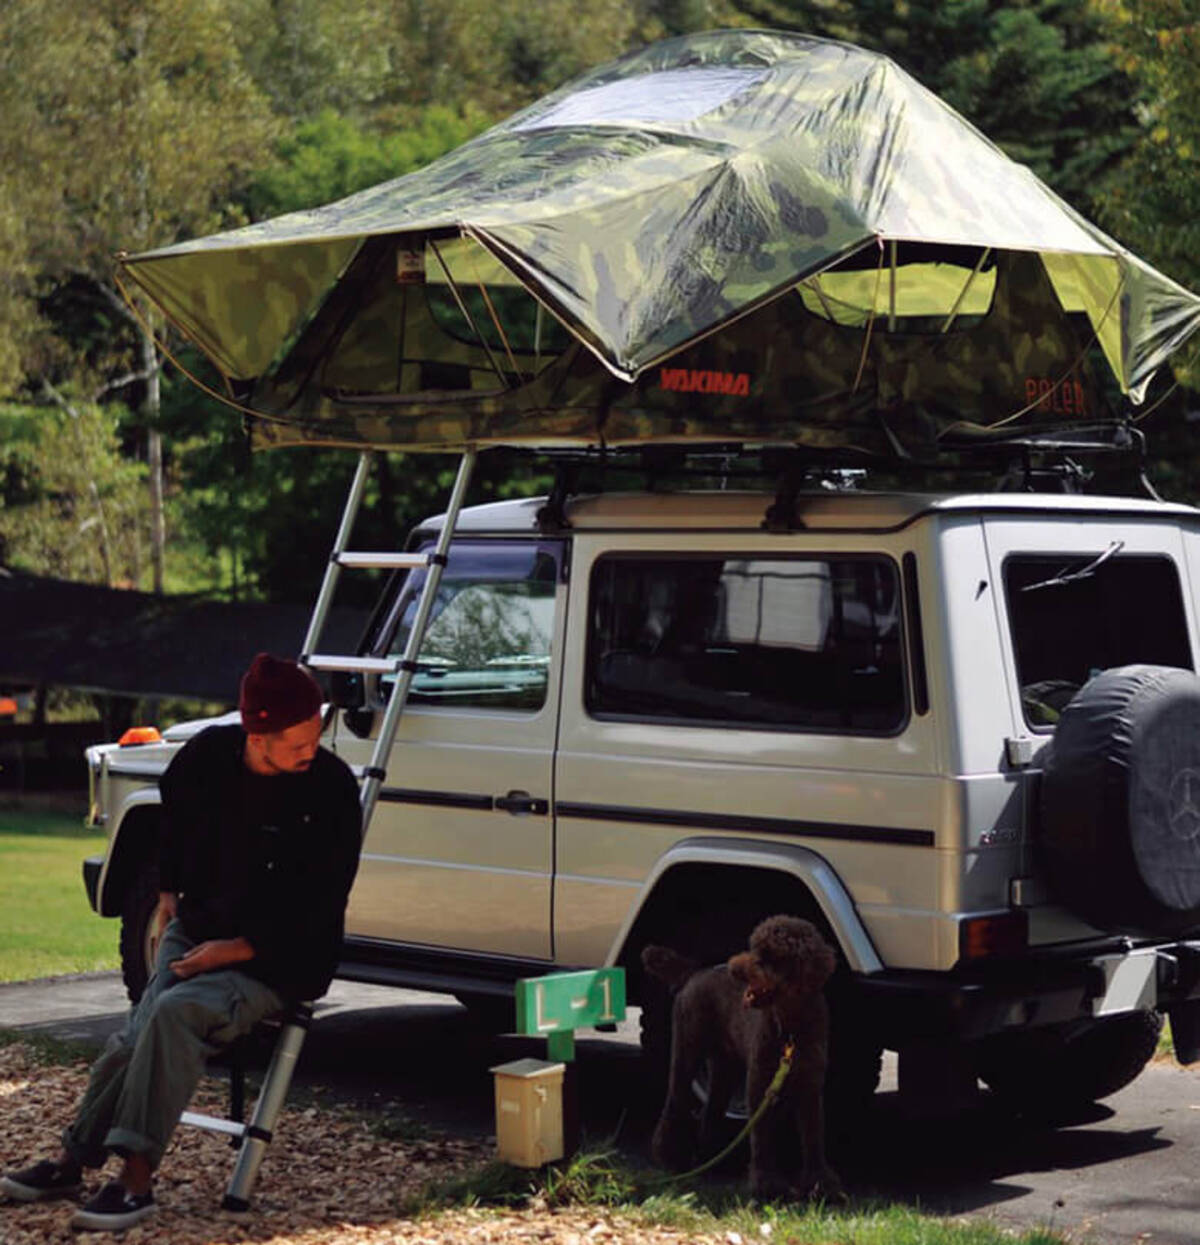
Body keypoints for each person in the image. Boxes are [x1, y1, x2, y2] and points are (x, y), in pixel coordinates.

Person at [1, 653, 362, 1231]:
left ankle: (137, 1181)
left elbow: (321, 909)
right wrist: (168, 889)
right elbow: (172, 810)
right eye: (299, 739)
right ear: (257, 732)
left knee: (172, 1013)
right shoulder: (209, 757)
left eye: (316, 735)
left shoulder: (330, 792)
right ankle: (73, 1160)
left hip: (279, 961)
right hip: (197, 930)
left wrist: (237, 950)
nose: (311, 749)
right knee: (134, 1033)